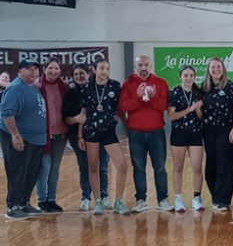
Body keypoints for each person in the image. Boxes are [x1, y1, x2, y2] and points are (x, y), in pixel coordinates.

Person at [119, 55, 173, 213]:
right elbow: (124, 106)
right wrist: (138, 96)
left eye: (146, 65)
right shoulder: (128, 84)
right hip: (136, 133)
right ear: (136, 67)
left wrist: (152, 96)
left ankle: (162, 200)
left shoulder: (160, 83)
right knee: (139, 168)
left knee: (160, 167)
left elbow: (164, 106)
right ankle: (141, 200)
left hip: (157, 132)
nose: (143, 68)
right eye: (140, 65)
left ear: (151, 66)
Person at [81, 59, 130, 215]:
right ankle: (98, 202)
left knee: (122, 165)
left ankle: (119, 201)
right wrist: (79, 136)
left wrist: (127, 126)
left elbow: (120, 109)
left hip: (109, 130)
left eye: (107, 68)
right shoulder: (87, 88)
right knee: (93, 167)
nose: (104, 71)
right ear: (94, 69)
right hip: (91, 132)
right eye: (101, 68)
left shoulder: (115, 86)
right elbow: (83, 114)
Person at [0, 60, 46, 220]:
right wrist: (15, 135)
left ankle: (23, 203)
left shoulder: (32, 87)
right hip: (21, 138)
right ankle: (13, 207)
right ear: (20, 71)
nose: (34, 72)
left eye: (36, 69)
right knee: (17, 172)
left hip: (35, 140)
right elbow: (7, 113)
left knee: (30, 173)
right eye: (29, 69)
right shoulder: (15, 88)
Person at [64, 64, 110, 211]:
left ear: (89, 73)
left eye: (81, 73)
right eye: (76, 74)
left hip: (100, 134)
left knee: (102, 167)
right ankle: (86, 197)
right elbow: (66, 118)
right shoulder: (70, 93)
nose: (79, 76)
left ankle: (104, 196)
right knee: (85, 168)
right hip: (79, 137)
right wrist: (76, 119)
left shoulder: (98, 90)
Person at [201, 58, 233, 212]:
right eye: (213, 67)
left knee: (225, 165)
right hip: (209, 130)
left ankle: (222, 199)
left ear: (223, 69)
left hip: (226, 130)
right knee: (211, 166)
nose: (216, 69)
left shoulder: (230, 86)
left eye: (219, 67)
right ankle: (216, 196)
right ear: (209, 69)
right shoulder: (204, 88)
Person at [168, 65, 205, 213]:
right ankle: (178, 199)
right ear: (180, 77)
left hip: (195, 133)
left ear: (194, 77)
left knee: (197, 167)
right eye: (185, 75)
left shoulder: (199, 92)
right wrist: (189, 109)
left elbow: (202, 117)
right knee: (178, 167)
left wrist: (197, 109)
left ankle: (197, 198)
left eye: (191, 75)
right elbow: (171, 116)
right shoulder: (174, 92)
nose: (188, 78)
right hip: (179, 133)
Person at [35, 59, 69, 212]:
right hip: (43, 134)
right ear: (44, 69)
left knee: (54, 168)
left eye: (56, 68)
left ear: (60, 71)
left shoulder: (64, 88)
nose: (53, 71)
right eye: (50, 68)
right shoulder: (36, 86)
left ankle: (52, 199)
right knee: (44, 167)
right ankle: (42, 200)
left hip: (60, 134)